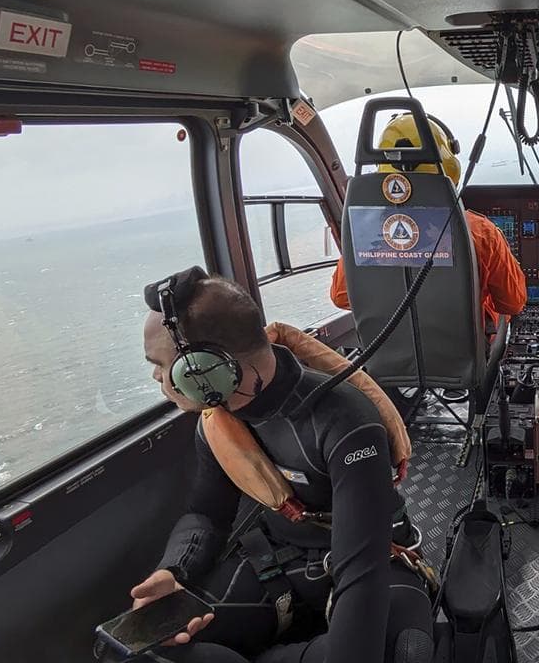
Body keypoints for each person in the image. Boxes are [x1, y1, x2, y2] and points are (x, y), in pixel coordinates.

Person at [132, 268, 433, 663]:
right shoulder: (217, 421)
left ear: (204, 369)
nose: (157, 375)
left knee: (406, 653)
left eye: (162, 364)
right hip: (277, 562)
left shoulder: (344, 419)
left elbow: (361, 568)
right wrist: (174, 571)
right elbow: (207, 513)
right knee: (153, 649)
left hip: (376, 558)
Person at [330, 113, 527, 333]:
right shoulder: (480, 232)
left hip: (386, 362)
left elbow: (341, 297)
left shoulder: (365, 234)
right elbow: (513, 302)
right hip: (466, 362)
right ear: (447, 163)